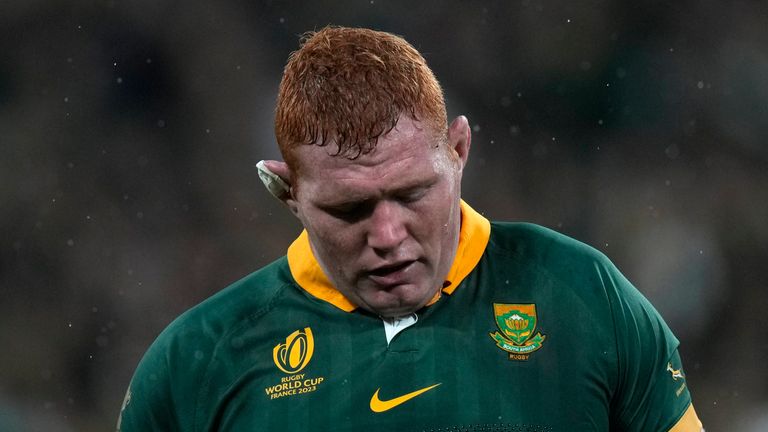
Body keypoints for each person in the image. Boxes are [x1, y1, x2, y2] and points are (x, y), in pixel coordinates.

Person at [117, 26, 703, 432]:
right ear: (286, 191)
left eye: (413, 193)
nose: (389, 234)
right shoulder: (197, 361)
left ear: (459, 150)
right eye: (350, 209)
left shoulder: (584, 297)